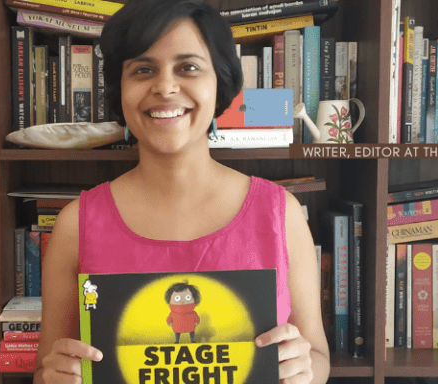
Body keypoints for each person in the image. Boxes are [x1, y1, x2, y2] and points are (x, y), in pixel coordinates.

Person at [35, 0, 330, 383]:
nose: (165, 86)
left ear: (219, 81)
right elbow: (46, 370)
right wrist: (53, 376)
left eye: (188, 67)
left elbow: (319, 357)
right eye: (143, 69)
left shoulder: (281, 213)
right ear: (119, 90)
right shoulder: (77, 223)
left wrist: (305, 368)